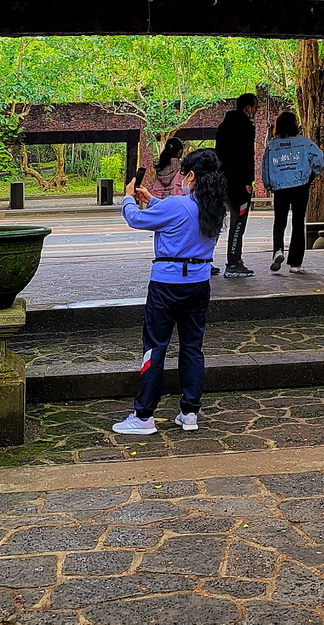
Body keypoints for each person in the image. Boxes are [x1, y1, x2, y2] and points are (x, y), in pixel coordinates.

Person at [112, 148, 228, 436]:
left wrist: (129, 197)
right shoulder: (214, 207)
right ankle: (190, 412)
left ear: (190, 175)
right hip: (199, 284)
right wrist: (153, 201)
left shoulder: (176, 205)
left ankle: (143, 415)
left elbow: (136, 219)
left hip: (166, 285)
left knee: (155, 346)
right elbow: (176, 217)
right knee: (192, 347)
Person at [262, 111, 324, 274]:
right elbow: (319, 159)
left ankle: (278, 250)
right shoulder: (304, 142)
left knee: (279, 221)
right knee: (298, 223)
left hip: (280, 188)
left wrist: (269, 185)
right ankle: (296, 263)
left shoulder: (272, 145)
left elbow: (265, 168)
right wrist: (311, 176)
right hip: (300, 186)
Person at [214, 92, 258, 278]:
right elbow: (247, 156)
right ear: (248, 107)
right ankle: (233, 262)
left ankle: (202, 259)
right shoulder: (246, 126)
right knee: (238, 223)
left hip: (222, 181)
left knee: (213, 223)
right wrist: (248, 181)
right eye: (256, 106)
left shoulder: (223, 127)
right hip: (239, 184)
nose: (256, 110)